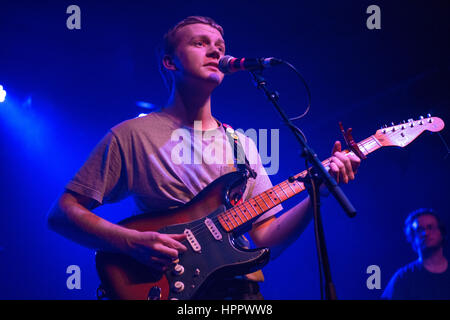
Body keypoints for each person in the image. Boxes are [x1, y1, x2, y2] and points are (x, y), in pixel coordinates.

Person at [47, 16, 361, 299]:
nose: (215, 52)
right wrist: (130, 241)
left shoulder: (241, 144)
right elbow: (63, 213)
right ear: (170, 62)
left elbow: (267, 237)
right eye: (200, 43)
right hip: (169, 287)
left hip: (241, 293)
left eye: (220, 46)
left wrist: (317, 193)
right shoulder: (131, 135)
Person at [381, 208, 450, 300]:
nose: (425, 233)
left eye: (430, 227)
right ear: (412, 238)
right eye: (419, 230)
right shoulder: (403, 277)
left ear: (441, 232)